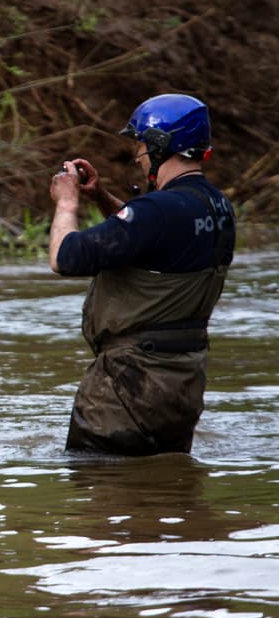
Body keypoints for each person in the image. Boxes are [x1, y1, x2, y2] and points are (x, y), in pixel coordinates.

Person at [48, 92, 235, 454]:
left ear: (162, 144)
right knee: (168, 495)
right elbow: (153, 237)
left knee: (95, 492)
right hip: (181, 386)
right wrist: (101, 197)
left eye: (142, 144)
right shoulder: (216, 206)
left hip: (127, 388)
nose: (138, 155)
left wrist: (67, 203)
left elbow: (65, 257)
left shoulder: (158, 211)